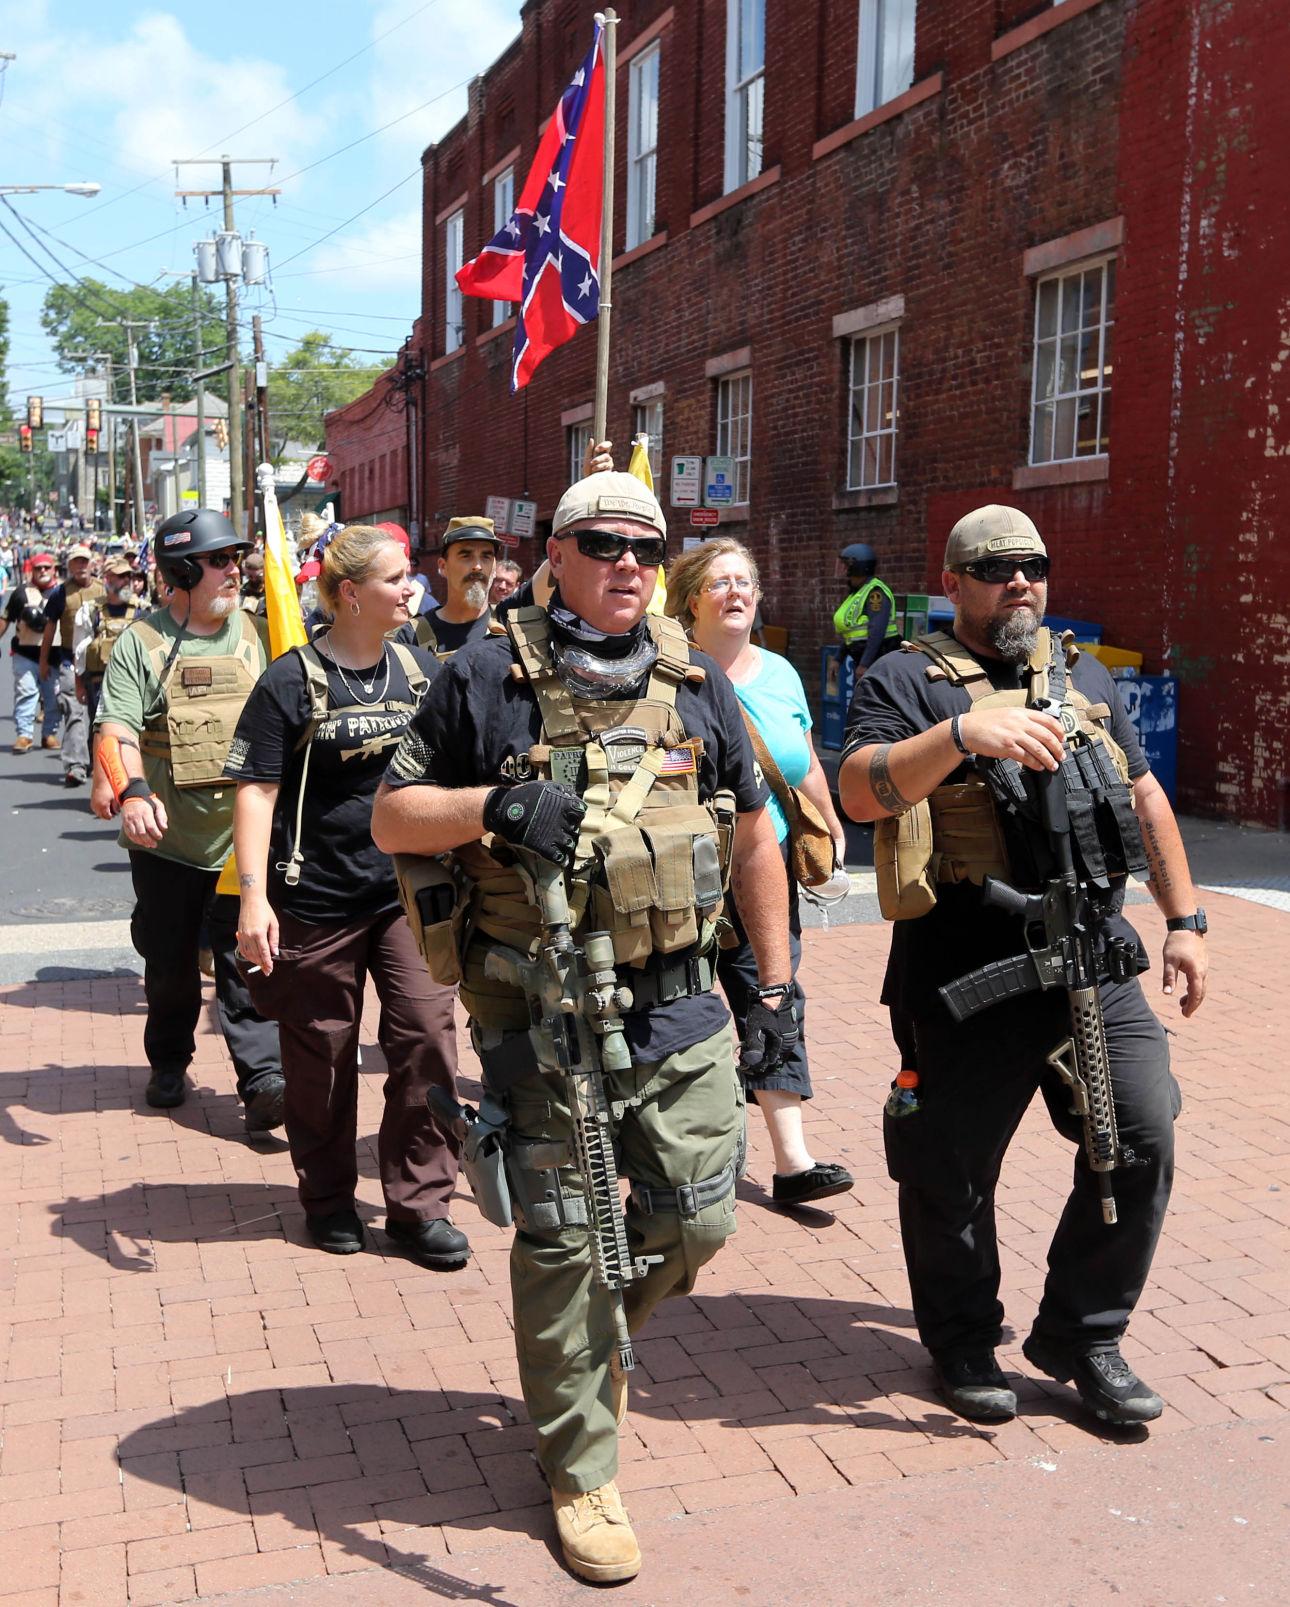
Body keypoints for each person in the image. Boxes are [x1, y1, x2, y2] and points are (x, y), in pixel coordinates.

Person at [372, 471, 795, 1585]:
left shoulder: (693, 674)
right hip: (540, 1007)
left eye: (647, 548)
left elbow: (753, 834)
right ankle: (579, 1464)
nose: (628, 565)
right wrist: (495, 805)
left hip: (683, 1000)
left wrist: (781, 990)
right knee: (562, 1235)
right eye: (602, 543)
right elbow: (391, 814)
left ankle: (597, 1347)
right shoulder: (481, 671)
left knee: (701, 1219)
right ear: (553, 552)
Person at [839, 504, 1208, 1428]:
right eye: (997, 567)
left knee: (1143, 1130)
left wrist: (1185, 919)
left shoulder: (1078, 673)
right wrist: (965, 736)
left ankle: (1083, 1334)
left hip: (1090, 954)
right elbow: (857, 786)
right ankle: (964, 1339)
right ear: (954, 582)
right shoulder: (905, 678)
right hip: (968, 964)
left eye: (1033, 566)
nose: (1020, 582)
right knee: (950, 1169)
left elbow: (1142, 791)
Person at [226, 525, 468, 1268]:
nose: (413, 588)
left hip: (408, 892)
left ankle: (419, 1203)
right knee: (322, 1056)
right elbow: (257, 790)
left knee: (427, 1038)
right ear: (351, 592)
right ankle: (327, 1198)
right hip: (316, 899)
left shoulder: (425, 671)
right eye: (398, 577)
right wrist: (253, 900)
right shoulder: (288, 681)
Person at [666, 537, 855, 1206]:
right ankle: (674, 1152)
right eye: (720, 582)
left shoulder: (779, 673)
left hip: (763, 872)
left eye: (745, 580)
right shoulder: (667, 672)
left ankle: (792, 1159)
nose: (737, 592)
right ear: (692, 599)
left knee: (774, 995)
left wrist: (828, 821)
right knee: (674, 1010)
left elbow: (801, 757)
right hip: (676, 880)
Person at [93, 508, 285, 1130]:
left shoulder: (261, 635)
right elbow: (115, 730)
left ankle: (263, 1082)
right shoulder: (140, 645)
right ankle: (169, 1059)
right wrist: (132, 792)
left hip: (242, 845)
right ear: (180, 570)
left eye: (237, 559)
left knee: (245, 959)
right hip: (168, 844)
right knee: (171, 965)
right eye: (219, 561)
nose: (236, 571)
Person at [39, 543, 103, 786]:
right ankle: (75, 765)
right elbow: (49, 628)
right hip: (69, 660)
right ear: (69, 566)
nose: (80, 566)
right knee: (73, 709)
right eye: (76, 562)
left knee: (99, 714)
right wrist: (44, 661)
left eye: (84, 561)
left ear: (91, 564)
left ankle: (94, 759)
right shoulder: (60, 593)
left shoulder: (104, 590)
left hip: (99, 663)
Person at [1, 550, 62, 754]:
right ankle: (24, 734)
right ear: (32, 570)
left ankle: (49, 734)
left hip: (54, 655)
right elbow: (6, 618)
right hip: (25, 653)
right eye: (38, 568)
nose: (43, 571)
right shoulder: (21, 593)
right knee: (26, 692)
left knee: (53, 697)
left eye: (46, 567)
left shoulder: (63, 592)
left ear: (54, 569)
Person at [413, 516, 500, 657]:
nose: (477, 566)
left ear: (495, 567)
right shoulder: (413, 635)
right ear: (443, 566)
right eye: (466, 556)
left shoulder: (508, 624)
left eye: (486, 556)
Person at [73, 555, 140, 725]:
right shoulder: (91, 611)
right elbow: (79, 651)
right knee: (99, 733)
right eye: (120, 576)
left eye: (128, 576)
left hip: (133, 685)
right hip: (99, 685)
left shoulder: (143, 610)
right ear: (107, 579)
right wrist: (79, 685)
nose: (126, 581)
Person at [835, 542, 899, 676]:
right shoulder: (857, 593)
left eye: (846, 565)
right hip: (863, 661)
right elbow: (850, 632)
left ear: (857, 566)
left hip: (878, 662)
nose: (844, 569)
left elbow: (877, 631)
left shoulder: (875, 593)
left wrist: (865, 664)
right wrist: (838, 658)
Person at [239, 548, 266, 613]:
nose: (254, 579)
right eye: (250, 576)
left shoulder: (270, 591)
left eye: (258, 577)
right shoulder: (243, 590)